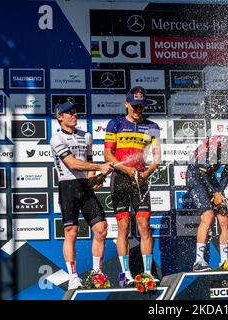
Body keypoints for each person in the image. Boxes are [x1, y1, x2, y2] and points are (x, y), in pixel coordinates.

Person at [50, 101, 114, 290]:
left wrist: (95, 178)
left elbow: (88, 161)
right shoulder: (56, 138)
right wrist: (99, 167)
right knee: (72, 232)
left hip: (85, 187)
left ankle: (97, 274)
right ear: (60, 117)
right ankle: (73, 276)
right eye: (68, 113)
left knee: (101, 228)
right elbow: (73, 164)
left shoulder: (86, 136)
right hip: (67, 187)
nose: (74, 115)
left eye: (75, 111)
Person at [104, 86, 161, 284]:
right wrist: (127, 170)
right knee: (123, 226)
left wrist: (145, 174)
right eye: (134, 106)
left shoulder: (152, 126)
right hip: (120, 179)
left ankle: (147, 273)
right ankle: (125, 274)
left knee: (144, 225)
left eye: (141, 106)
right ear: (127, 104)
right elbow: (107, 154)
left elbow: (156, 159)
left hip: (141, 180)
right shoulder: (115, 124)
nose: (138, 110)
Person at [187, 127, 228, 272]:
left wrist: (219, 192)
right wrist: (215, 193)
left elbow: (226, 174)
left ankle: (224, 261)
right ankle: (198, 261)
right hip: (195, 175)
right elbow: (202, 171)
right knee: (208, 216)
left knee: (224, 219)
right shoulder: (217, 143)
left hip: (208, 176)